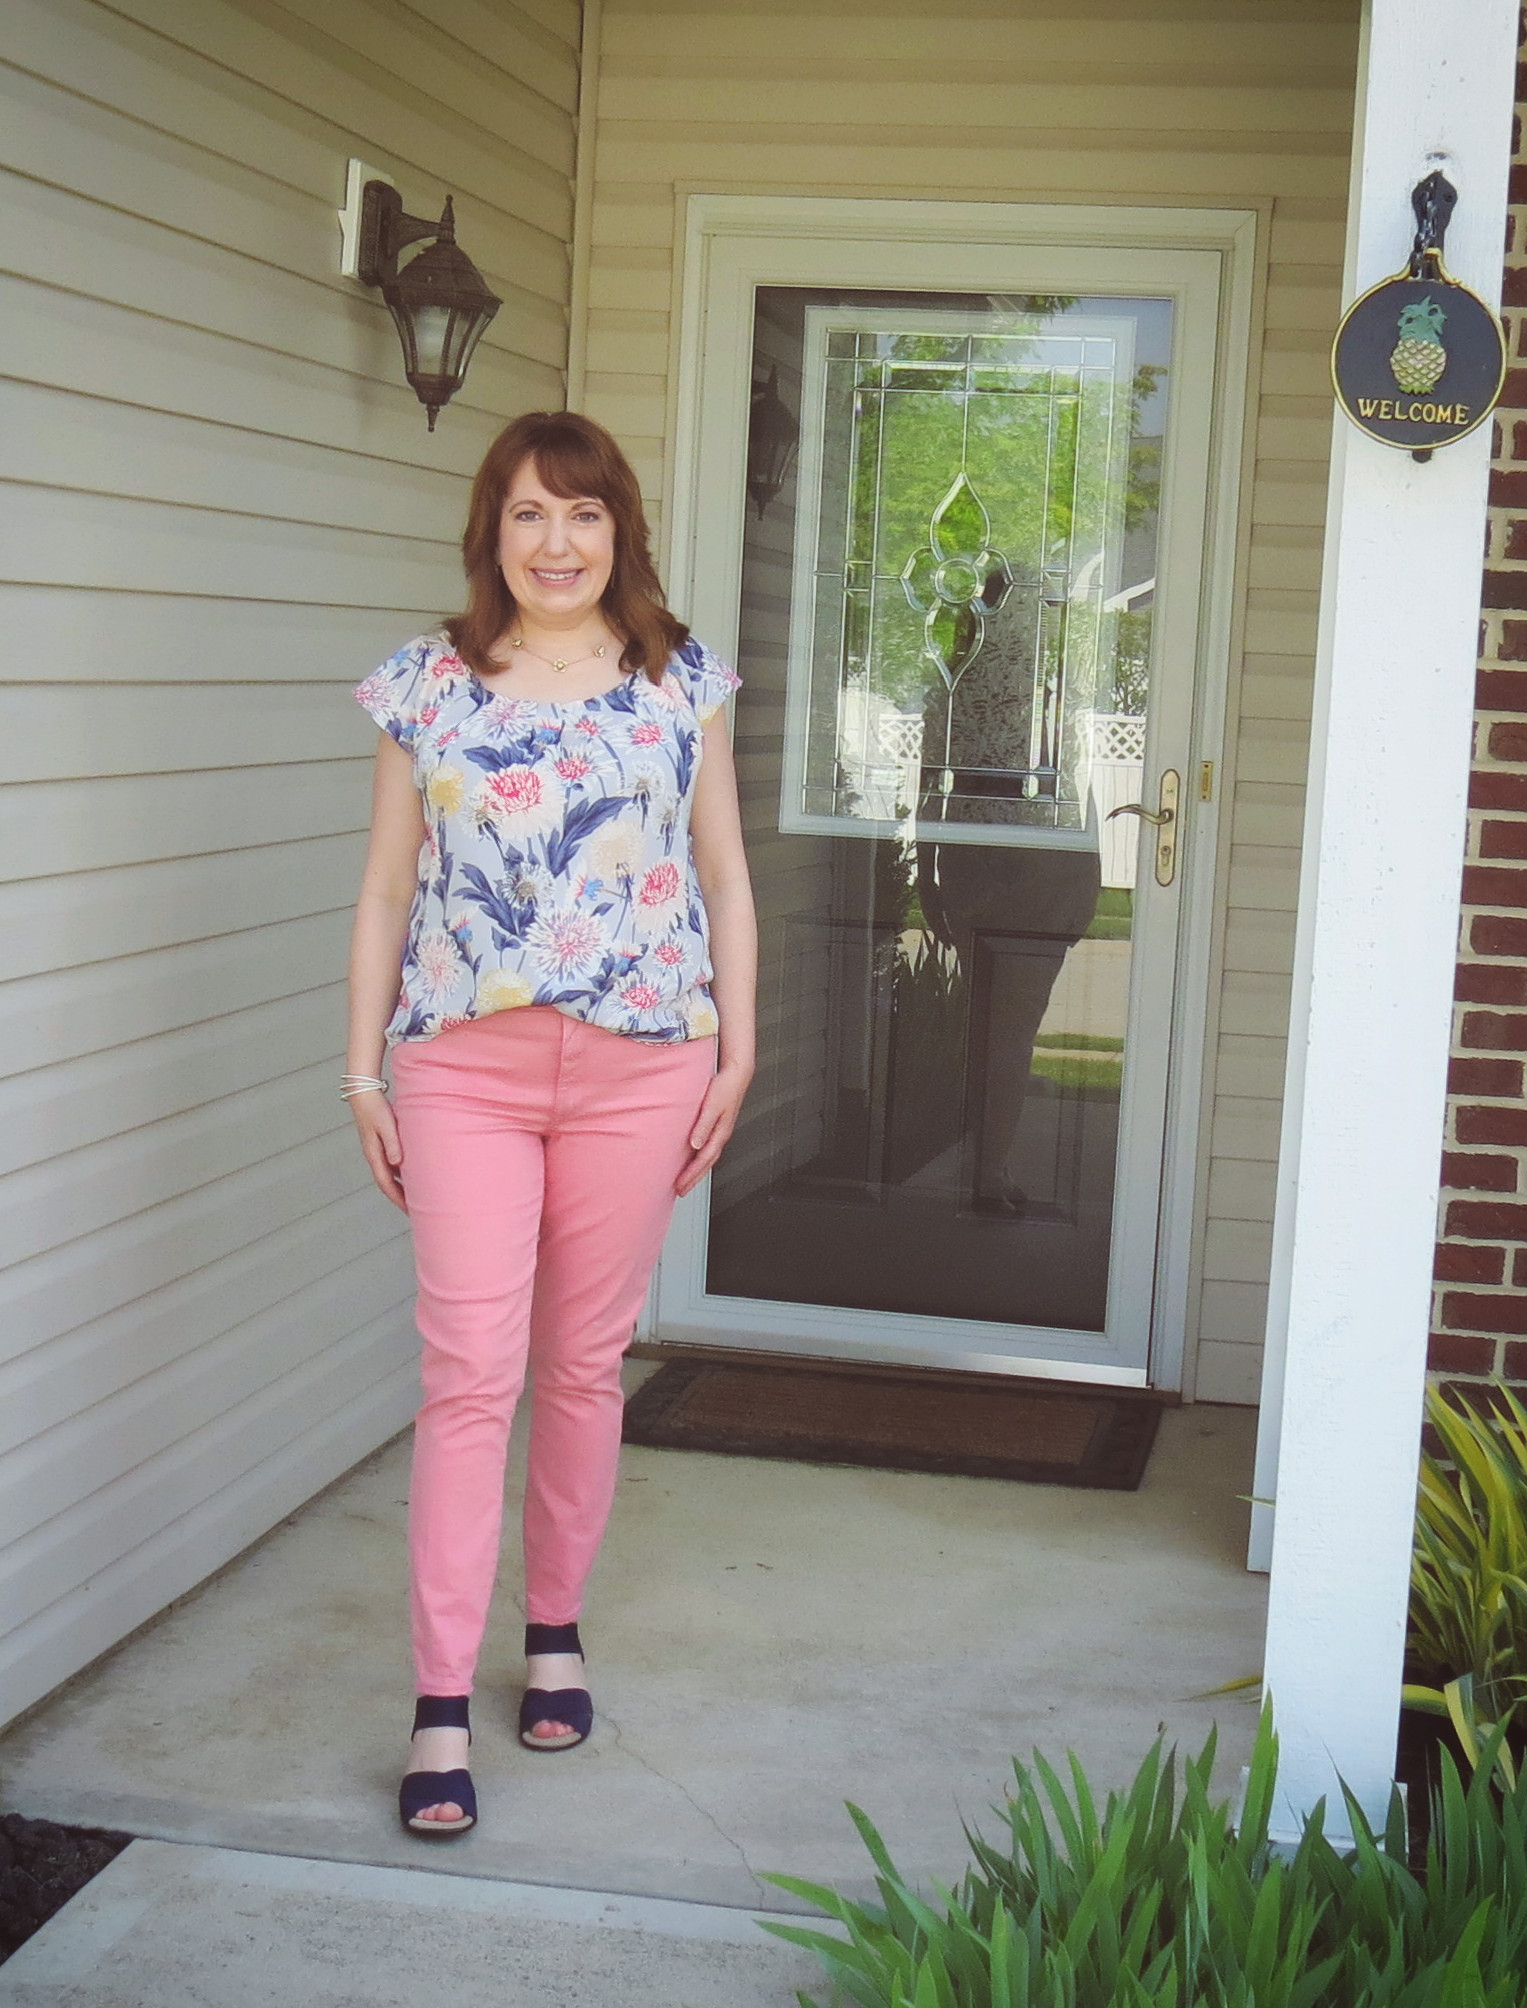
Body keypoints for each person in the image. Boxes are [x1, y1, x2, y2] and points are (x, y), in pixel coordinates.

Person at [345, 411, 757, 1837]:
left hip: (645, 1068)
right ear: (492, 535)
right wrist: (361, 1073)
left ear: (618, 532)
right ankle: (440, 1705)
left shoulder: (677, 681)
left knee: (581, 1366)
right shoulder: (430, 687)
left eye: (582, 515)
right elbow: (391, 892)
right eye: (527, 514)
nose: (557, 542)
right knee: (470, 1373)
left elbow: (723, 869)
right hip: (465, 1068)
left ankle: (559, 1628)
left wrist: (738, 1050)